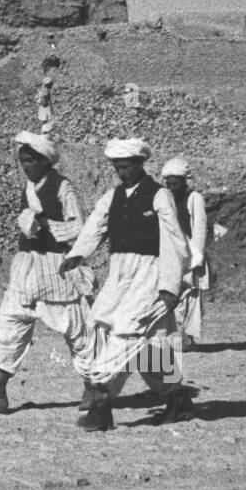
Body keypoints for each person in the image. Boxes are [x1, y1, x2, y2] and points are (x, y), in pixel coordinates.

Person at [60, 138, 194, 432]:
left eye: (127, 166)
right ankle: (176, 397)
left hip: (150, 275)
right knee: (138, 338)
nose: (123, 172)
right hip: (120, 275)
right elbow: (95, 225)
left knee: (129, 331)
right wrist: (78, 254)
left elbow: (175, 242)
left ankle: (102, 403)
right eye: (117, 167)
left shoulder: (159, 195)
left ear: (139, 164)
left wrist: (170, 287)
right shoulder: (113, 196)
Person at [0, 132, 95, 415]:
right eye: (22, 161)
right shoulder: (28, 187)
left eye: (31, 161)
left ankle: (93, 387)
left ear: (45, 160)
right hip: (26, 266)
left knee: (75, 327)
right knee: (10, 322)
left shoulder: (63, 188)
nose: (26, 166)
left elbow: (79, 228)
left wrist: (44, 223)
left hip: (56, 265)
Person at [161, 158, 210, 350]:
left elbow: (199, 229)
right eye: (169, 183)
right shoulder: (166, 198)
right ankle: (175, 335)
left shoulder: (194, 198)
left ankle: (187, 337)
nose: (172, 187)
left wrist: (195, 259)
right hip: (171, 253)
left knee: (189, 295)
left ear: (184, 181)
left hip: (190, 255)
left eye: (175, 183)